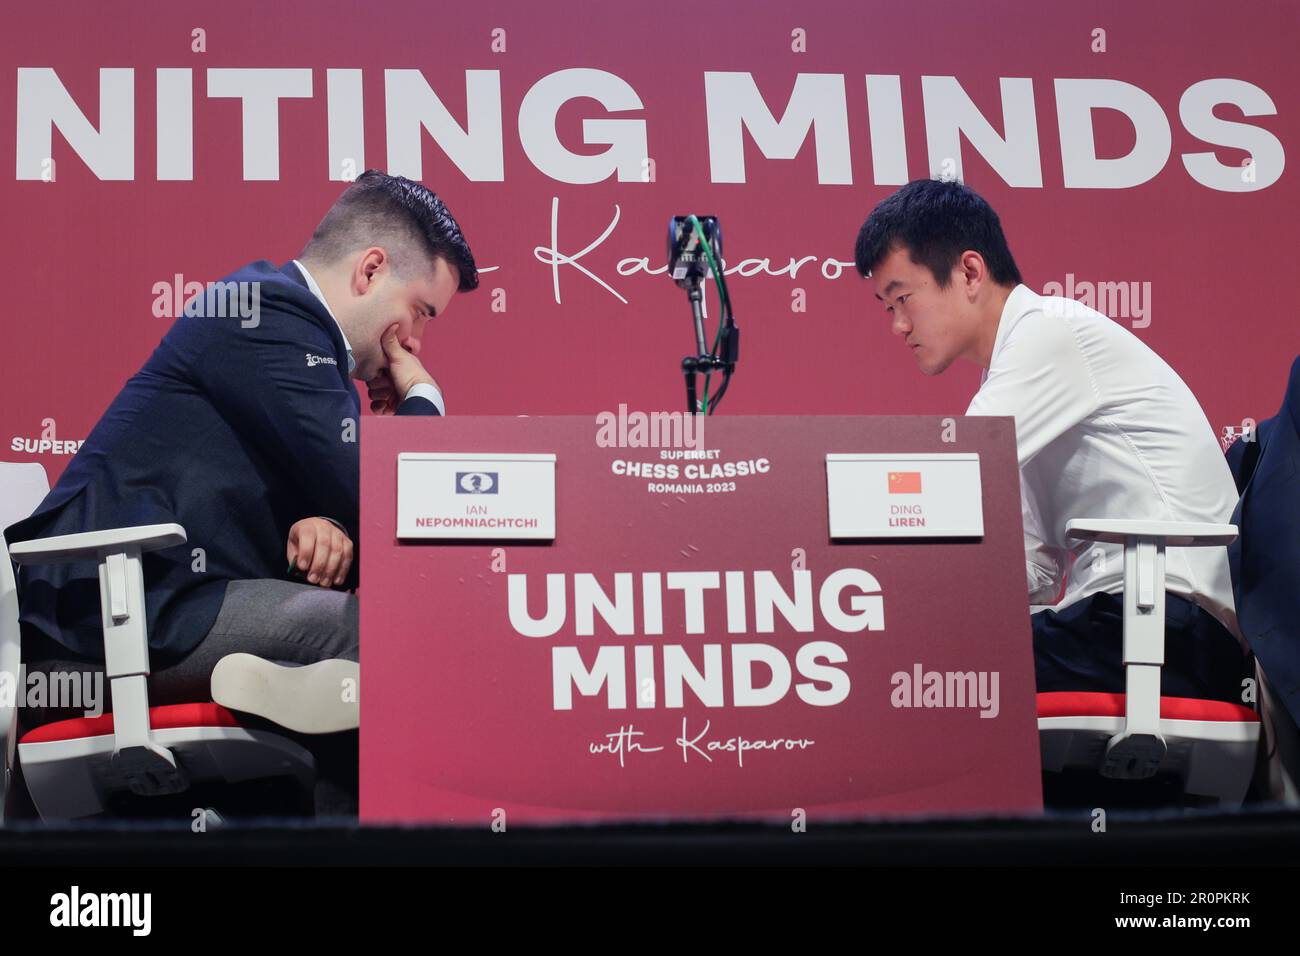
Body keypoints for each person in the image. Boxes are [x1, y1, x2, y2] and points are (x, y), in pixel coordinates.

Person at [6, 170, 478, 813]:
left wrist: (322, 529)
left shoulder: (303, 350)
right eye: (421, 311)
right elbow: (398, 499)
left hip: (174, 604)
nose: (414, 341)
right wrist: (423, 397)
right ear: (370, 270)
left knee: (355, 658)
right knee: (379, 637)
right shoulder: (272, 309)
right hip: (110, 621)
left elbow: (365, 511)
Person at [853, 178, 1251, 706]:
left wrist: (841, 516)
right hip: (1125, 626)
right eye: (887, 308)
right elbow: (1035, 570)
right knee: (926, 663)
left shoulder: (1048, 333)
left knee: (921, 676)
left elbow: (947, 479)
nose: (899, 325)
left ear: (970, 271)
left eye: (904, 297)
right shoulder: (1017, 381)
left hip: (1170, 631)